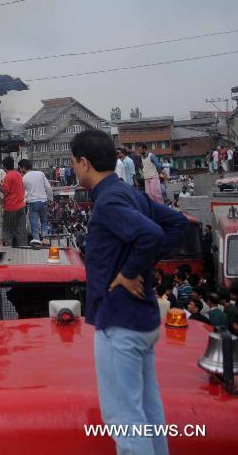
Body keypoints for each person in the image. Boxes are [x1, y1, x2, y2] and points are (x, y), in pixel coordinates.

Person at [70, 129, 187, 454]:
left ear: (84, 162)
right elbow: (176, 224)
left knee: (125, 422)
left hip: (119, 323)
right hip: (142, 321)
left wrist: (129, 271)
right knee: (148, 414)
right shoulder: (130, 193)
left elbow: (149, 234)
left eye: (74, 164)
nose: (74, 170)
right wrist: (140, 263)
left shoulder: (108, 202)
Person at [20, 159, 53, 245]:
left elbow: (23, 193)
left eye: (20, 168)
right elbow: (48, 188)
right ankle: (45, 238)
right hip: (43, 201)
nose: (20, 170)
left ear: (23, 168)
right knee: (44, 221)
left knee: (33, 222)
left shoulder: (24, 178)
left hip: (32, 202)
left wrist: (24, 201)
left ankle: (36, 239)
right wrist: (50, 199)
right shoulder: (40, 174)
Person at [0, 156, 28, 246]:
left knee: (8, 231)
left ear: (4, 166)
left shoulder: (8, 176)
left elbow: (5, 191)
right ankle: (23, 248)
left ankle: (9, 251)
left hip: (10, 207)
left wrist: (0, 184)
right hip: (21, 206)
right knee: (21, 231)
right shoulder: (19, 175)